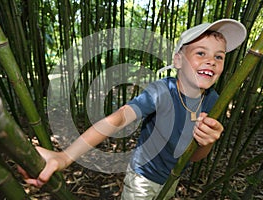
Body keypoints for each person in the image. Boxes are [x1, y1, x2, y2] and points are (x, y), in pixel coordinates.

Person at [19, 19, 247, 199]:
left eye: (219, 56)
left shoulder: (214, 100)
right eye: (201, 53)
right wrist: (65, 156)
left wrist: (208, 141)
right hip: (143, 177)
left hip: (172, 178)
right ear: (178, 60)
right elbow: (118, 119)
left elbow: (196, 156)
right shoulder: (161, 90)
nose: (211, 61)